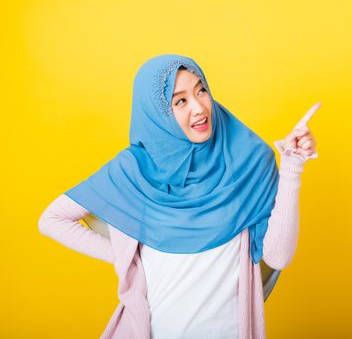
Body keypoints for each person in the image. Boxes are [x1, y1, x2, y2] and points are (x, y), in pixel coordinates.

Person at [38, 54, 320, 339]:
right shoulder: (134, 170)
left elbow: (278, 257)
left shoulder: (248, 160)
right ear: (158, 113)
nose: (199, 108)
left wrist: (292, 167)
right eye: (180, 101)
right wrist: (126, 258)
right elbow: (52, 220)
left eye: (201, 90)